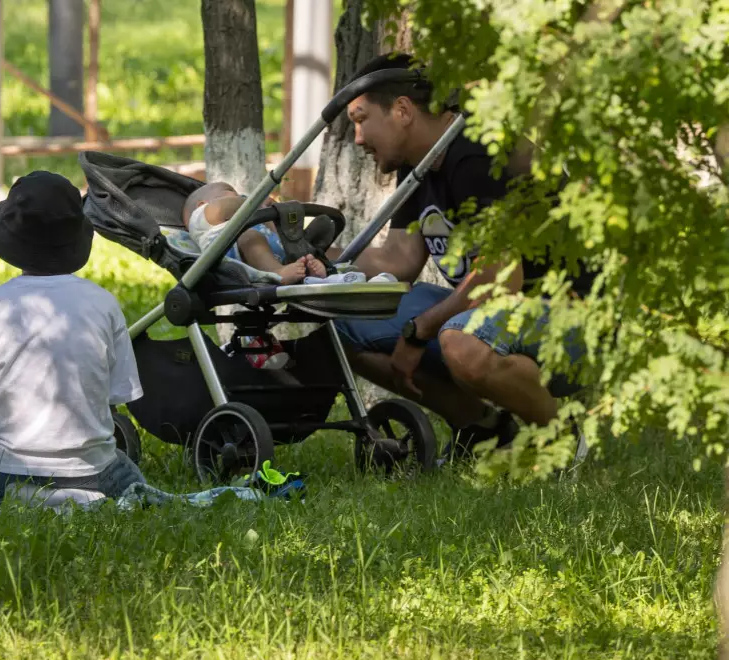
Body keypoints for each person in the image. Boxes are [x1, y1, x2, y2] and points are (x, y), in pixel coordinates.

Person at [325, 52, 599, 459]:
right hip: (505, 313)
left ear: (402, 110)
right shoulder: (417, 165)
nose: (359, 139)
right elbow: (398, 259)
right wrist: (317, 259)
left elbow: (500, 281)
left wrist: (419, 331)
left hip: (576, 317)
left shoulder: (478, 153)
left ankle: (559, 439)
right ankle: (486, 430)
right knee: (342, 323)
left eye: (361, 120)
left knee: (462, 341)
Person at [0, 170, 146, 502]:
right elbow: (118, 392)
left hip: (5, 471)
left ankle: (32, 496)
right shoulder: (103, 303)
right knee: (128, 473)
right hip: (92, 472)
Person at [182, 182, 326, 285]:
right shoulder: (201, 219)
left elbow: (273, 229)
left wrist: (271, 211)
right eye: (231, 194)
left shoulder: (247, 219)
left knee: (292, 234)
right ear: (202, 205)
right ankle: (278, 273)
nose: (239, 197)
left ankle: (309, 262)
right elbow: (222, 208)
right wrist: (252, 202)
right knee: (249, 236)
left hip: (274, 254)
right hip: (237, 258)